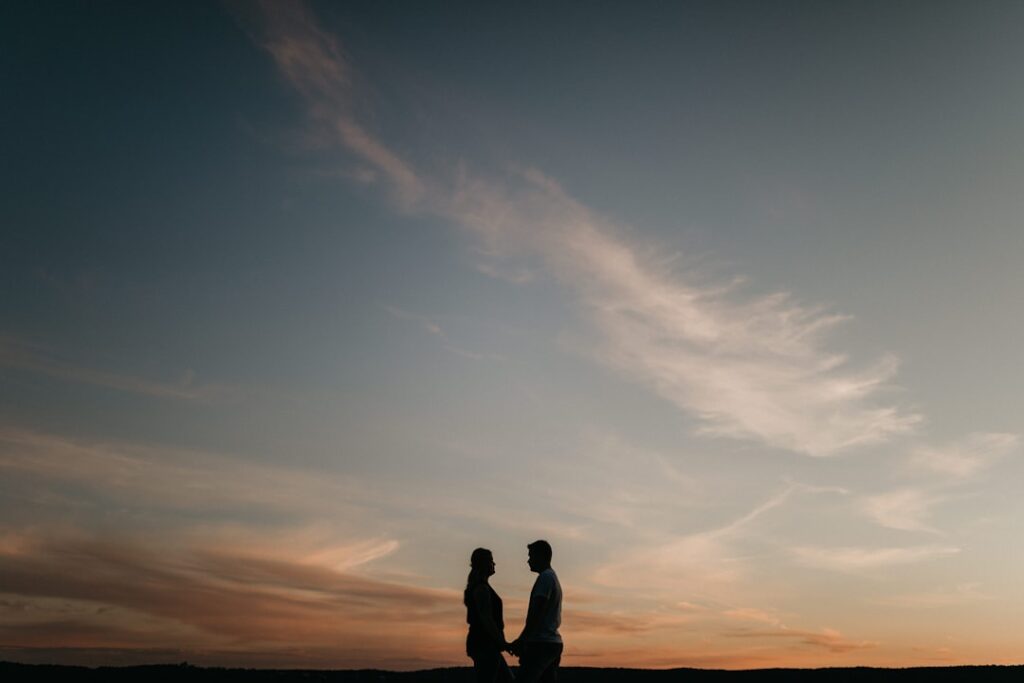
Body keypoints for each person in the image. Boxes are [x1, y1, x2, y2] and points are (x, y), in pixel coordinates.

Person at [510, 540, 562, 683]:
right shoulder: (551, 577)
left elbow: (537, 613)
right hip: (551, 643)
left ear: (541, 556)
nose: (528, 561)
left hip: (541, 643)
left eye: (531, 556)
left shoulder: (545, 578)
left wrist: (522, 639)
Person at [464, 547, 513, 682]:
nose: (494, 563)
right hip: (485, 644)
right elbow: (486, 619)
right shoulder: (481, 589)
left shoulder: (481, 587)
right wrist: (502, 642)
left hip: (487, 644)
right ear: (483, 564)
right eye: (491, 561)